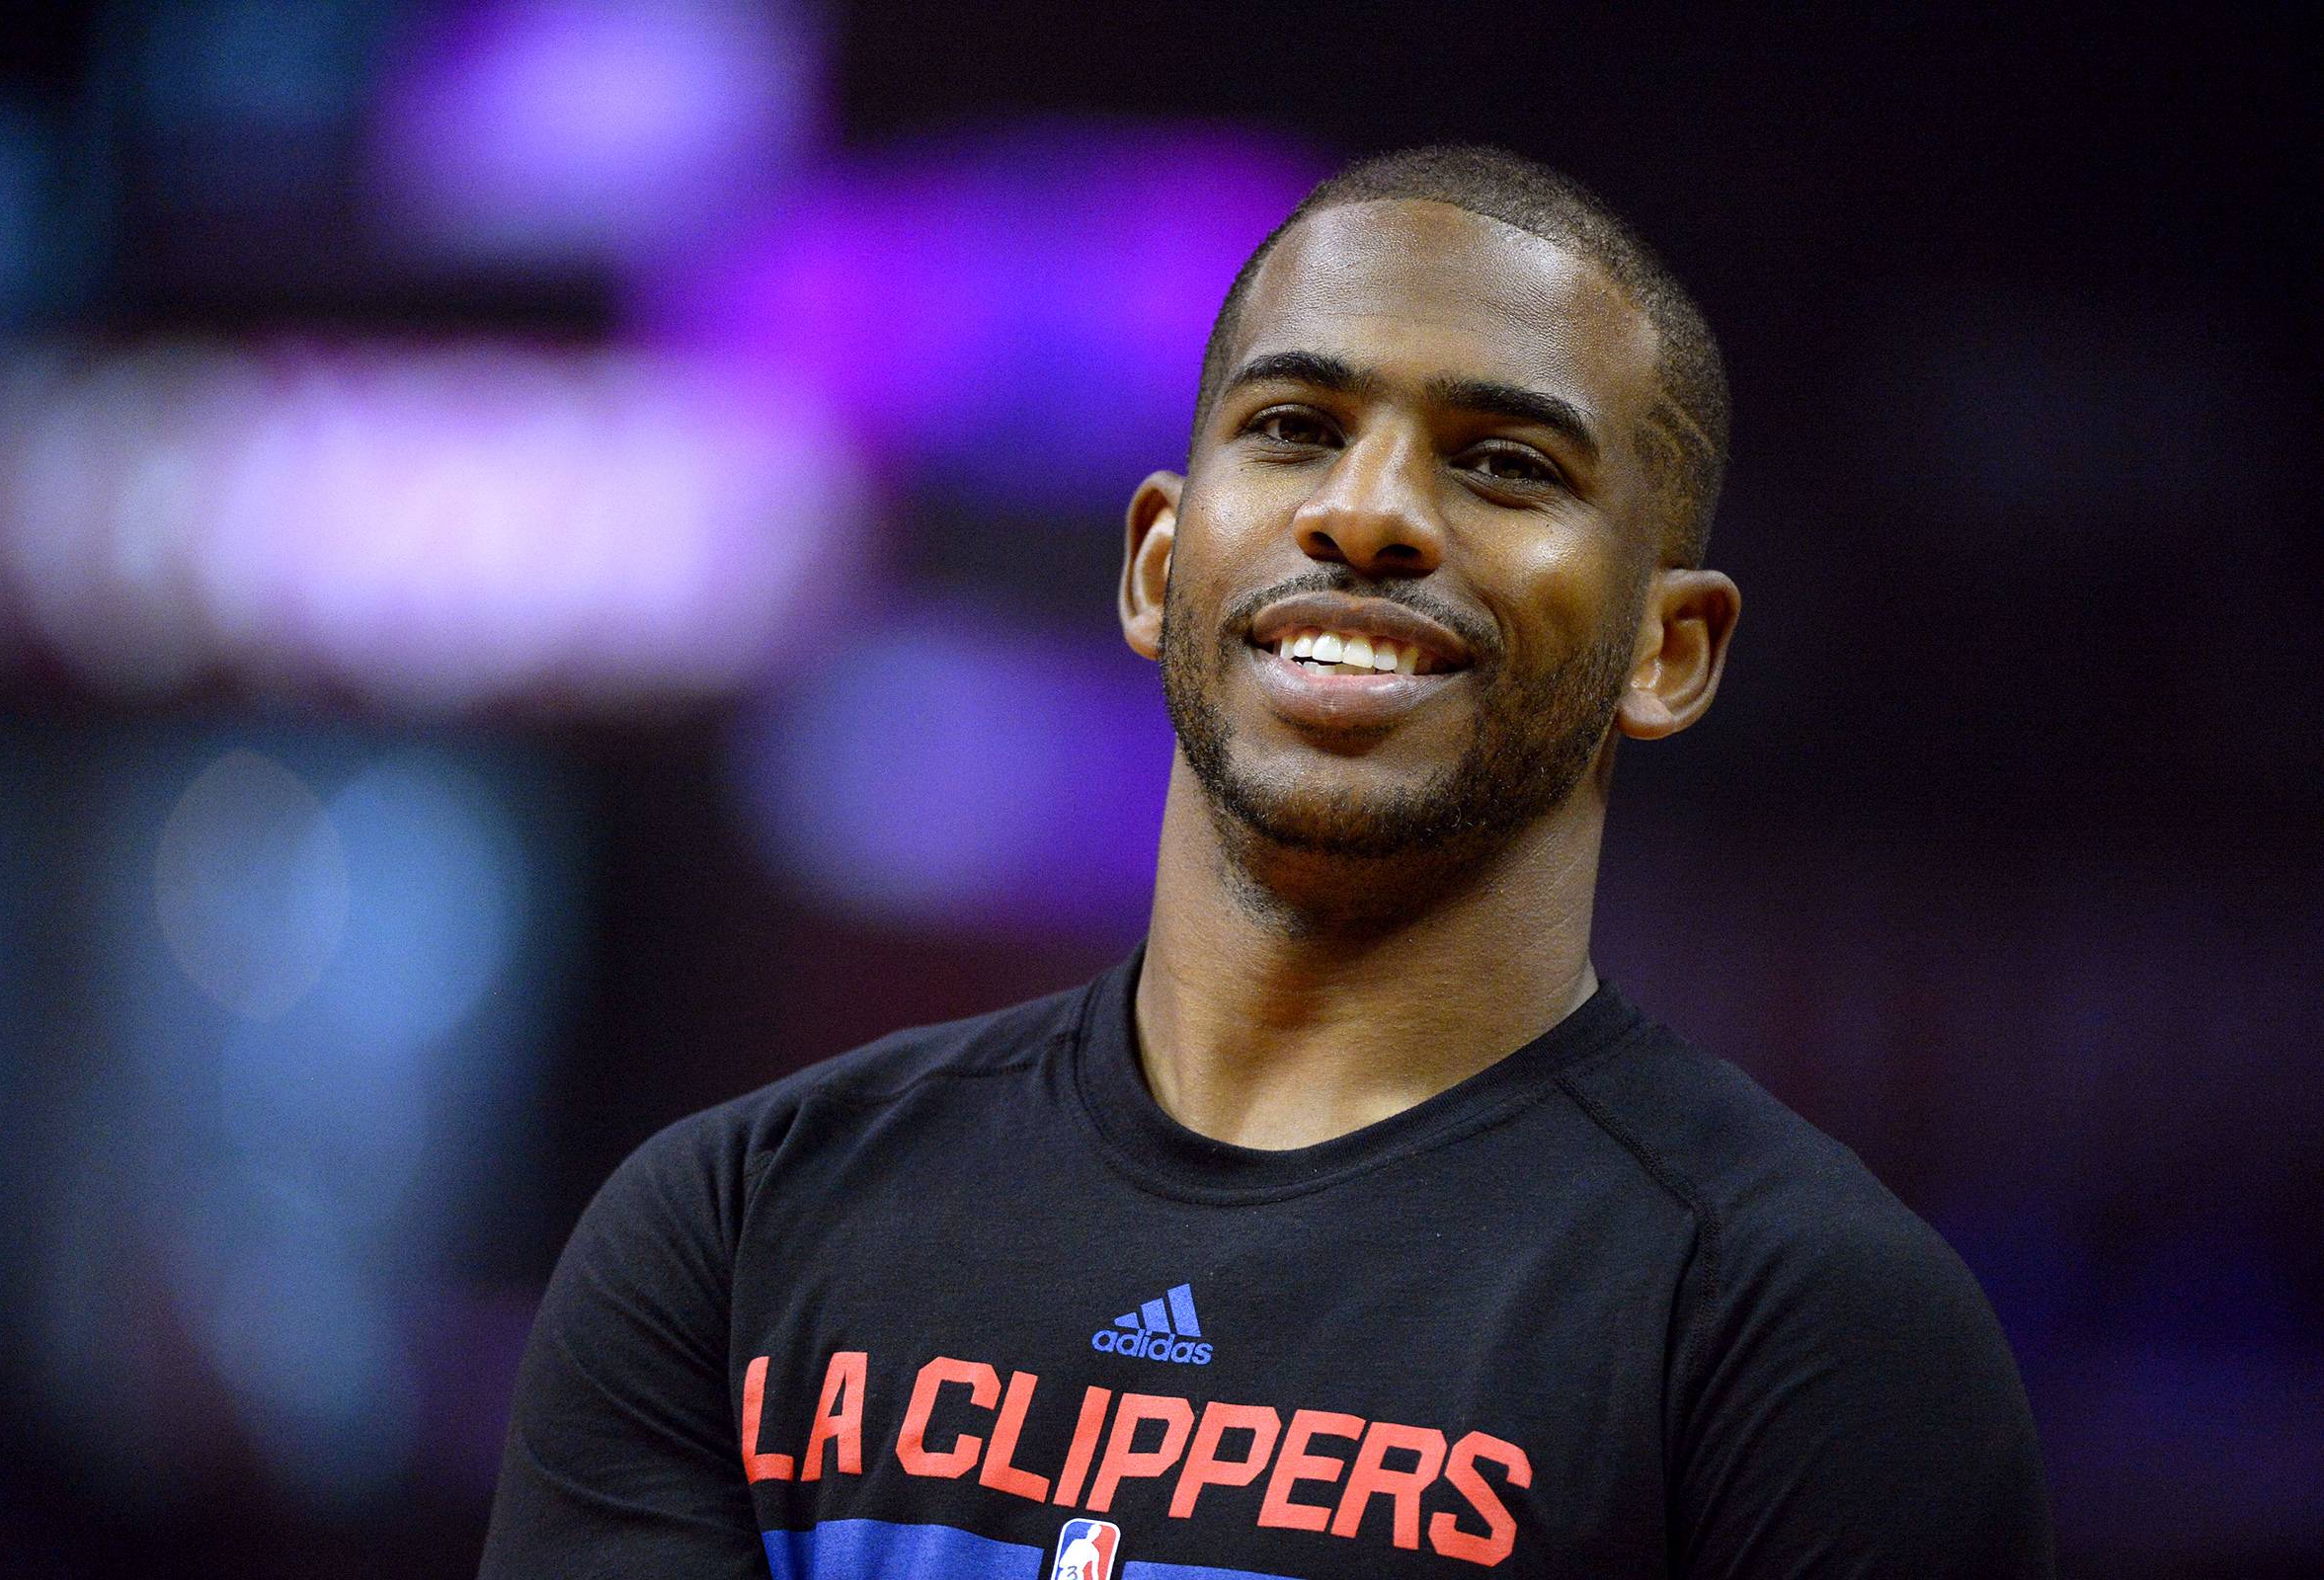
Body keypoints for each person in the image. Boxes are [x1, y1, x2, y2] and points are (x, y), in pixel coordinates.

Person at [480, 145, 2054, 1578]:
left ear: (1669, 648)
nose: (1368, 516)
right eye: (1296, 430)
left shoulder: (1803, 1329)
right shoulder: (733, 1229)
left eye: (1506, 463)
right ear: (1157, 565)